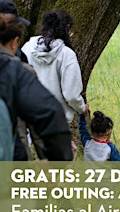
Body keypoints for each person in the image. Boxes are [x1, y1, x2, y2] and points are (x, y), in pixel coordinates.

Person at [0, 13, 73, 161]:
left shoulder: (27, 51)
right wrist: (58, 159)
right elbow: (49, 114)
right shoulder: (14, 71)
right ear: (14, 42)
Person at [21, 10, 89, 125]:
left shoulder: (27, 48)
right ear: (66, 29)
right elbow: (71, 95)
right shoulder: (66, 54)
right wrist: (82, 108)